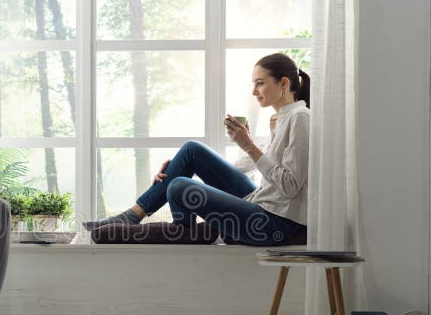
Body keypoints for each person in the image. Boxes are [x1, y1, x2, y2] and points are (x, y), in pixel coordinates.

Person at [83, 52, 310, 246]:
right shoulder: (278, 119)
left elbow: (289, 186)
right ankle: (133, 215)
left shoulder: (300, 118)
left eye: (260, 82)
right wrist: (177, 169)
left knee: (180, 186)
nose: (254, 91)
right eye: (254, 83)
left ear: (283, 84)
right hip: (259, 202)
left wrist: (249, 145)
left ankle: (185, 231)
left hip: (272, 223)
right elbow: (250, 166)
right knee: (192, 151)